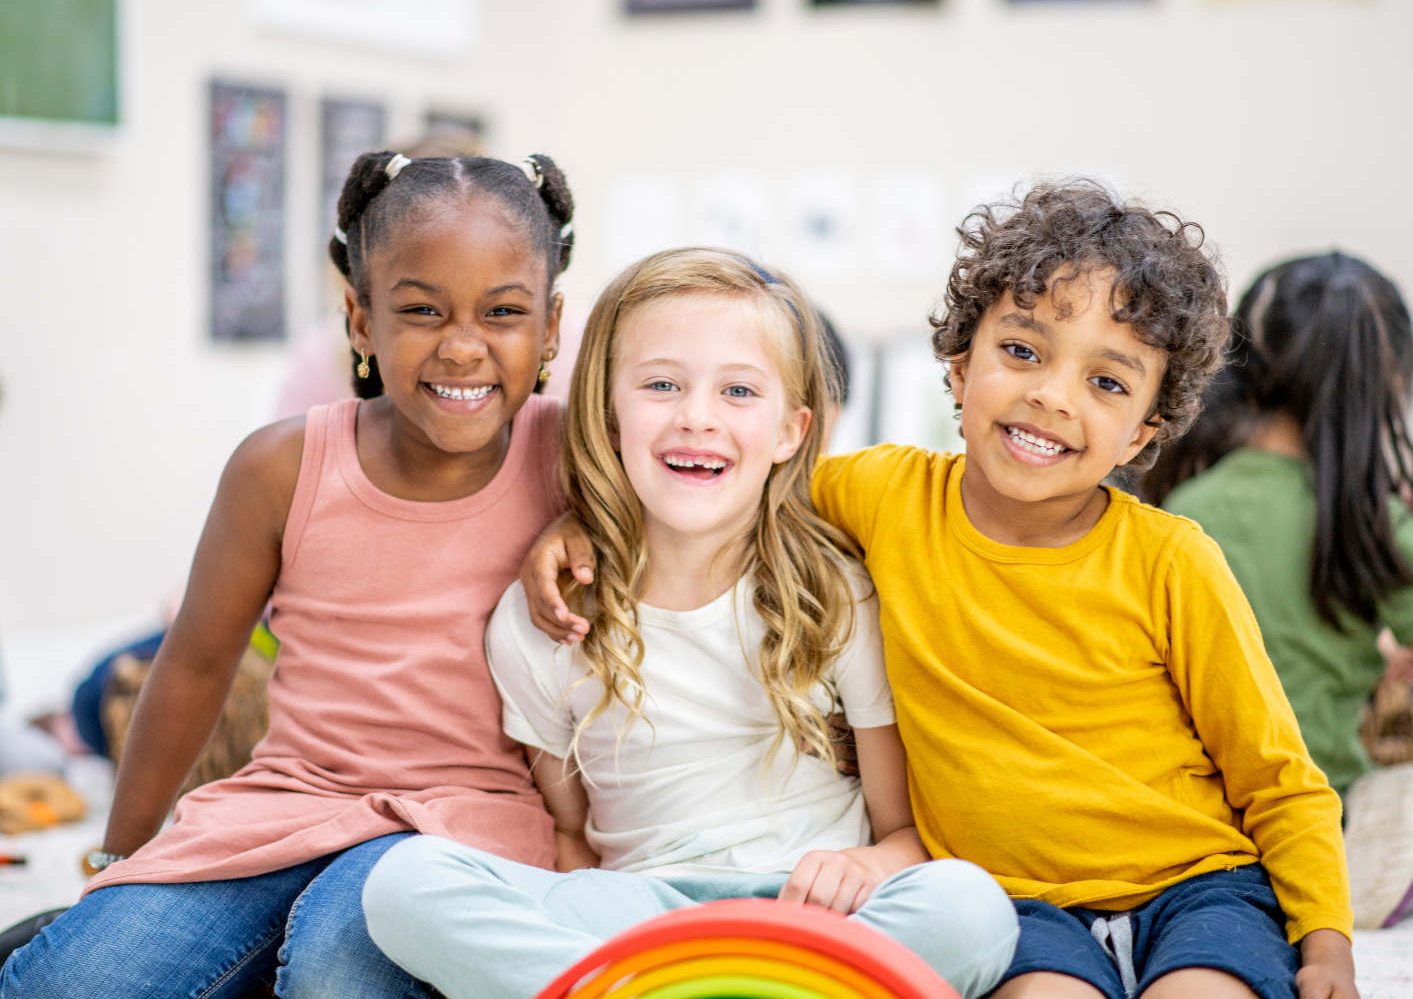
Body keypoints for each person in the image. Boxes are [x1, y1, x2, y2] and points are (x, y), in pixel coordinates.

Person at [520, 183, 1359, 999]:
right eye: (1021, 350)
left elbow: (1278, 776)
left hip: (1196, 882)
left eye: (1106, 382)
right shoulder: (881, 493)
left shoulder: (1172, 558)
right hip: (1013, 900)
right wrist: (589, 525)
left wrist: (1327, 945)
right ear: (958, 368)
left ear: (1143, 430)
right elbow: (723, 494)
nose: (1049, 394)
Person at [360, 248, 1020, 999]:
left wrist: (865, 866)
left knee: (970, 905)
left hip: (810, 912)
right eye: (662, 384)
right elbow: (570, 836)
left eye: (738, 390)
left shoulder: (836, 592)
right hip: (640, 917)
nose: (696, 416)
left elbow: (900, 830)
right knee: (403, 883)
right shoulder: (544, 615)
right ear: (607, 414)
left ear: (789, 431)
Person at [1, 149, 575, 998]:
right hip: (285, 802)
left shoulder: (576, 457)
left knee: (329, 970)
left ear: (551, 326)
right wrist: (118, 859)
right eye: (419, 309)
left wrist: (574, 524)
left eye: (502, 311)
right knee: (66, 981)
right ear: (358, 318)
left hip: (462, 827)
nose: (462, 346)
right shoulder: (280, 465)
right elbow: (194, 663)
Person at [1149, 253, 1413, 796]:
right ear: (1383, 386)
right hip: (1327, 806)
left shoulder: (1178, 505)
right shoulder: (1375, 527)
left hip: (1201, 811)